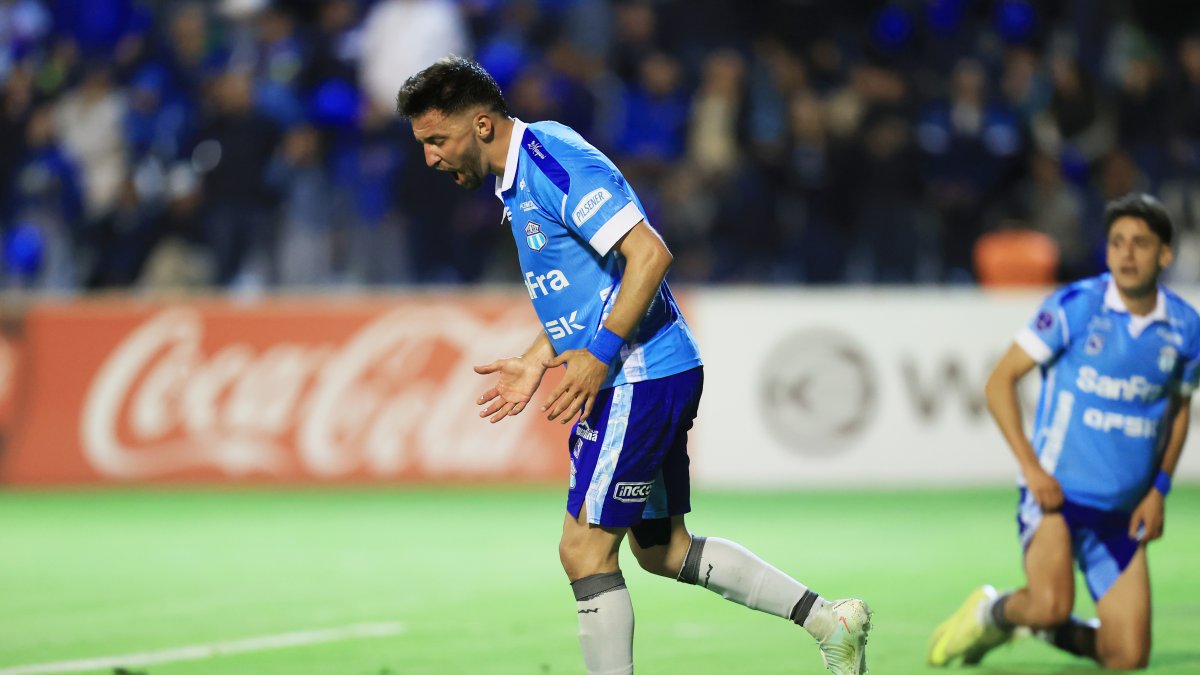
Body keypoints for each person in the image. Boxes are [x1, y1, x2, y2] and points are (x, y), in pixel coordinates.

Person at [396, 55, 872, 675]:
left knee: (584, 552)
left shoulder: (551, 162)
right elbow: (591, 285)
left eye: (437, 140)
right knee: (663, 550)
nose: (430, 157)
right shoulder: (518, 173)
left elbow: (649, 254)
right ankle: (830, 622)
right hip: (649, 371)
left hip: (637, 375)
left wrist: (595, 358)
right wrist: (540, 358)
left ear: (482, 125)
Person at [928, 193, 1199, 670]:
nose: (1127, 255)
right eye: (1117, 243)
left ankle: (1025, 623)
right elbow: (999, 383)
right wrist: (1032, 470)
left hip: (1121, 513)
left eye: (1140, 243)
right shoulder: (1076, 307)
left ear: (1165, 255)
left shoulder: (1185, 329)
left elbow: (1179, 407)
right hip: (1057, 498)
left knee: (1127, 656)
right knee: (1050, 603)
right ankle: (994, 610)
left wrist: (1158, 488)